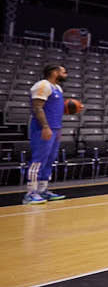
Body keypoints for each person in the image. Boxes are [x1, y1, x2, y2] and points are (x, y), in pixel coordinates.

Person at [24, 64, 80, 204]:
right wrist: (45, 127)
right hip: (42, 128)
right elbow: (37, 108)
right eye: (63, 71)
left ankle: (43, 191)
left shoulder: (58, 88)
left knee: (49, 160)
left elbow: (57, 110)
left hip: (55, 128)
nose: (66, 74)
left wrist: (58, 128)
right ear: (54, 72)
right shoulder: (42, 85)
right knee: (38, 160)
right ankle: (30, 193)